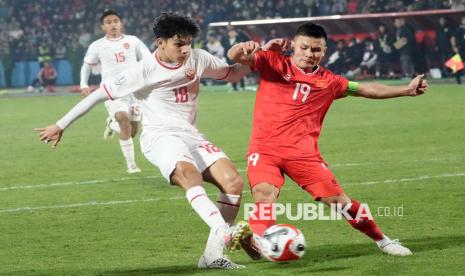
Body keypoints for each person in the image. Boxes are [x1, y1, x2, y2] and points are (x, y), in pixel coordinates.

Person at [35, 13, 260, 269]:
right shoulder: (143, 70)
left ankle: (212, 255)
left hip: (190, 134)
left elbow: (230, 74)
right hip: (159, 136)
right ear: (160, 42)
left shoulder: (197, 58)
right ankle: (224, 231)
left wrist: (255, 61)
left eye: (188, 42)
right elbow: (98, 95)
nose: (185, 49)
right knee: (190, 176)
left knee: (233, 182)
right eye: (179, 43)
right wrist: (60, 125)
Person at [227, 23, 428, 258]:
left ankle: (383, 241)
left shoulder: (330, 81)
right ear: (293, 45)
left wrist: (406, 90)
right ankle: (262, 242)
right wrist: (248, 46)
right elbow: (235, 55)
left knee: (340, 202)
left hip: (303, 155)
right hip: (265, 150)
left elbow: (367, 89)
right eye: (304, 48)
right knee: (263, 194)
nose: (309, 54)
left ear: (324, 51)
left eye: (316, 50)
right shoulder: (273, 62)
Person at [80, 10, 151, 174]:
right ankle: (131, 166)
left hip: (135, 91)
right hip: (112, 91)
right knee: (123, 120)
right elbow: (86, 66)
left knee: (132, 132)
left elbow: (148, 60)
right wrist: (84, 84)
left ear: (121, 23)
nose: (113, 24)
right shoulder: (97, 45)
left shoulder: (133, 41)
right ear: (103, 27)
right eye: (108, 22)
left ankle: (111, 124)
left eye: (115, 21)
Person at [450, 16, 465, 84]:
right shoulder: (459, 29)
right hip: (460, 49)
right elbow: (452, 38)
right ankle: (458, 80)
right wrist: (454, 47)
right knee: (456, 65)